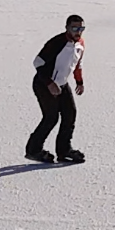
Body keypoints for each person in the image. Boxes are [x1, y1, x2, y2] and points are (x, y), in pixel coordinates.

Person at [26, 15, 86, 164]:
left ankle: (64, 150)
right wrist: (49, 83)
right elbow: (38, 63)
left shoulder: (81, 44)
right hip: (43, 84)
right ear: (67, 28)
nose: (78, 32)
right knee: (51, 117)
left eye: (81, 28)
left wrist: (79, 81)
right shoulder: (57, 43)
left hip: (62, 84)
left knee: (70, 114)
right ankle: (33, 150)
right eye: (74, 28)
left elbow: (77, 64)